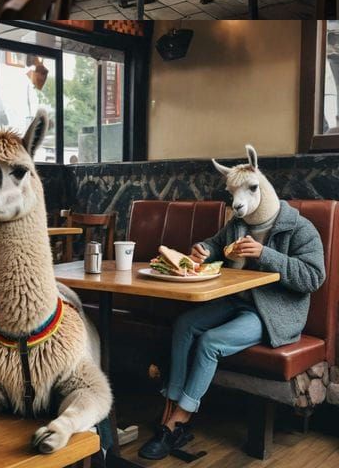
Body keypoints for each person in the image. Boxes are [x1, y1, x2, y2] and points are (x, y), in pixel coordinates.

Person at [139, 197, 325, 459]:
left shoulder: (301, 228)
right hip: (236, 300)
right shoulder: (238, 224)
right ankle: (171, 401)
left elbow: (314, 277)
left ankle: (179, 420)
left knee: (210, 342)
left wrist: (264, 253)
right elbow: (214, 246)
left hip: (273, 313)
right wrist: (202, 249)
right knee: (184, 324)